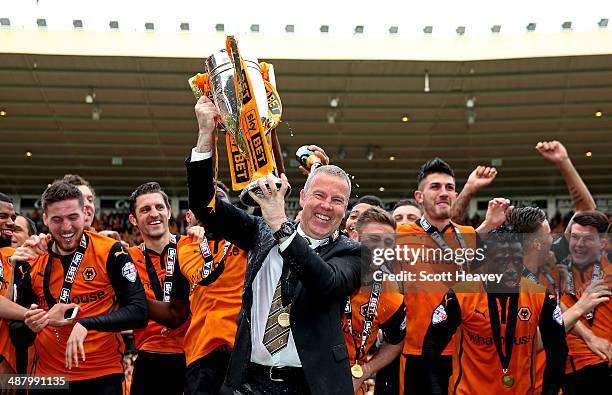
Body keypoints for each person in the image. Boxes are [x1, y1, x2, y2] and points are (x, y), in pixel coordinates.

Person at [186, 95, 361, 394]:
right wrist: (205, 135)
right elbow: (204, 205)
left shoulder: (352, 253)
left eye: (337, 200)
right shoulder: (260, 232)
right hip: (249, 381)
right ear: (303, 198)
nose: (326, 206)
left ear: (345, 210)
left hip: (312, 385)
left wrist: (282, 225)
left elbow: (324, 282)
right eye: (319, 195)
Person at [13, 181, 148, 394]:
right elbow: (17, 334)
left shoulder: (110, 252)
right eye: (57, 220)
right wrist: (33, 324)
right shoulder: (31, 258)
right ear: (45, 219)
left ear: (85, 214)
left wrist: (86, 323)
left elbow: (139, 312)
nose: (66, 227)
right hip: (49, 379)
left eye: (73, 218)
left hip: (103, 375)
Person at [398, 158, 506, 395]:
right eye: (435, 187)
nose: (444, 193)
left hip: (466, 352)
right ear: (419, 196)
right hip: (419, 353)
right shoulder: (400, 234)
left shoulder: (468, 235)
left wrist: (488, 226)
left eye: (449, 188)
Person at [422, 227, 568, 395]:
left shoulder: (541, 297)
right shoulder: (461, 296)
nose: (511, 269)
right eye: (502, 261)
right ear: (486, 261)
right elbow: (431, 346)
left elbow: (558, 349)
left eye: (517, 261)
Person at [151, 206, 248, 395]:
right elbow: (177, 311)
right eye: (204, 207)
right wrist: (134, 298)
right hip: (201, 353)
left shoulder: (244, 239)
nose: (212, 211)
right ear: (188, 216)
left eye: (219, 206)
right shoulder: (183, 247)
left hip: (241, 350)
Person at [126, 182, 195, 395]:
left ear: (169, 211)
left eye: (159, 207)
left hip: (193, 355)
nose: (154, 214)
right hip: (150, 358)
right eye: (145, 209)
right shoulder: (126, 259)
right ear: (133, 220)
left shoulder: (192, 249)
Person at [343, 207, 405, 394]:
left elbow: (396, 341)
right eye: (374, 239)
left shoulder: (390, 294)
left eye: (388, 242)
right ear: (354, 235)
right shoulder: (326, 269)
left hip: (350, 383)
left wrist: (365, 371)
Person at [556, 211, 611, 394]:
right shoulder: (556, 272)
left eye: (587, 239)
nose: (578, 245)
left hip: (601, 365)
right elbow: (554, 305)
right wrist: (589, 336)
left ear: (602, 242)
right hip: (563, 371)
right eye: (575, 237)